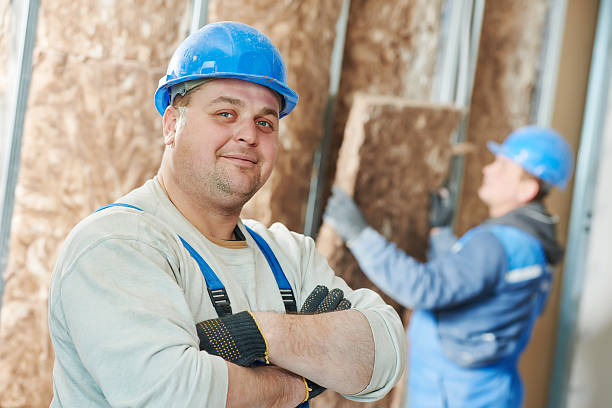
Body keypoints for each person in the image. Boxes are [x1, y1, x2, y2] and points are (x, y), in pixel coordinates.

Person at [48, 22, 406, 408]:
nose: (249, 135)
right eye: (225, 113)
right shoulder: (118, 244)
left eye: (265, 122)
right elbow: (175, 396)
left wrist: (260, 332)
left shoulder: (289, 256)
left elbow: (385, 355)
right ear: (172, 125)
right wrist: (298, 382)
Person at [323, 126, 574, 408]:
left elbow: (424, 288)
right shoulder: (530, 243)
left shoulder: (496, 244)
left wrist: (359, 234)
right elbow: (468, 278)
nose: (488, 170)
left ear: (527, 190)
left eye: (503, 167)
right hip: (489, 390)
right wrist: (441, 235)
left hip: (452, 394)